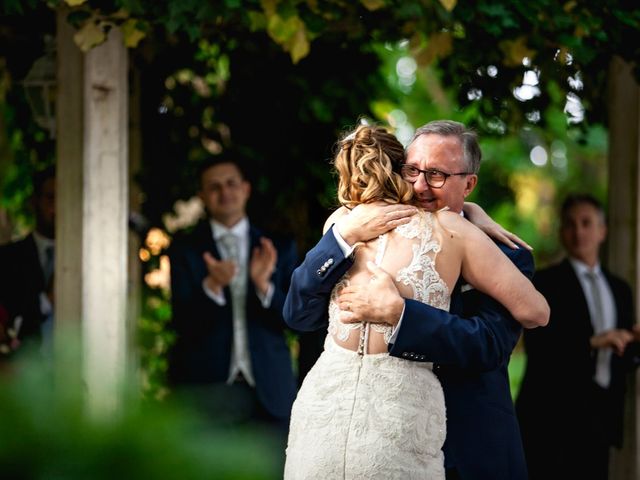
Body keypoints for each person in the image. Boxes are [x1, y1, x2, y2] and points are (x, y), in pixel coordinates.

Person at [283, 124, 549, 479]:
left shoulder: (505, 254)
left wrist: (400, 313)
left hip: (469, 445)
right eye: (413, 170)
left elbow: (489, 346)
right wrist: (342, 237)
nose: (420, 186)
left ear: (468, 185)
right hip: (356, 431)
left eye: (437, 175)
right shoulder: (357, 227)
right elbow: (300, 315)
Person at [166, 156, 298, 437]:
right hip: (206, 391)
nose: (224, 192)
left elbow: (294, 320)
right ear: (202, 196)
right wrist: (211, 286)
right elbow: (182, 323)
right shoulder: (184, 249)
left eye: (231, 184)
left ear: (246, 189)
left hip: (270, 391)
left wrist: (263, 285)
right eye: (214, 187)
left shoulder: (279, 247)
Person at [516, 194, 640, 480]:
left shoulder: (621, 289)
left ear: (602, 231)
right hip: (552, 416)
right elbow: (538, 347)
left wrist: (633, 344)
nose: (578, 231)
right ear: (561, 232)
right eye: (571, 224)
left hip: (602, 418)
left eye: (586, 223)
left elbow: (625, 357)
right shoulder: (544, 283)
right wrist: (594, 341)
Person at [0, 166, 56, 370]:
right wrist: (46, 301)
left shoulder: (89, 258)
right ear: (35, 202)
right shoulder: (7, 259)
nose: (57, 207)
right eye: (51, 198)